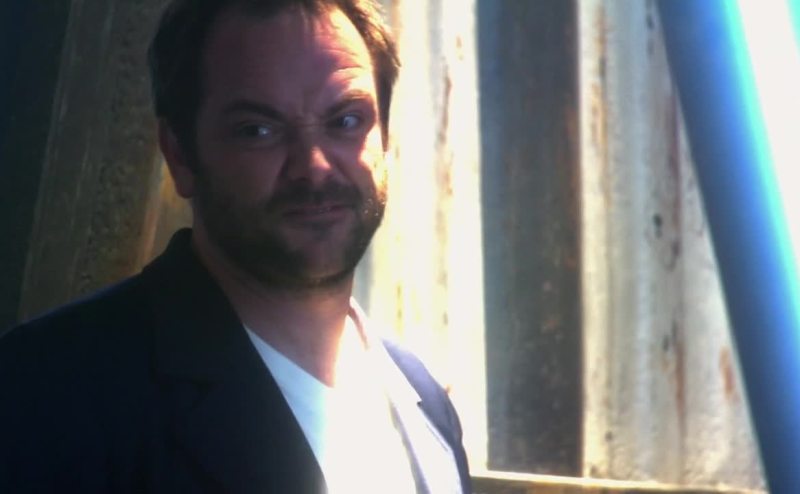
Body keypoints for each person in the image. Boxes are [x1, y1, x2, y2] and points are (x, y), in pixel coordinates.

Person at [0, 0, 471, 492]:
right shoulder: (46, 394)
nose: (313, 166)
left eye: (346, 120)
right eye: (257, 130)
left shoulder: (423, 402)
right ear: (180, 154)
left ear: (385, 137)